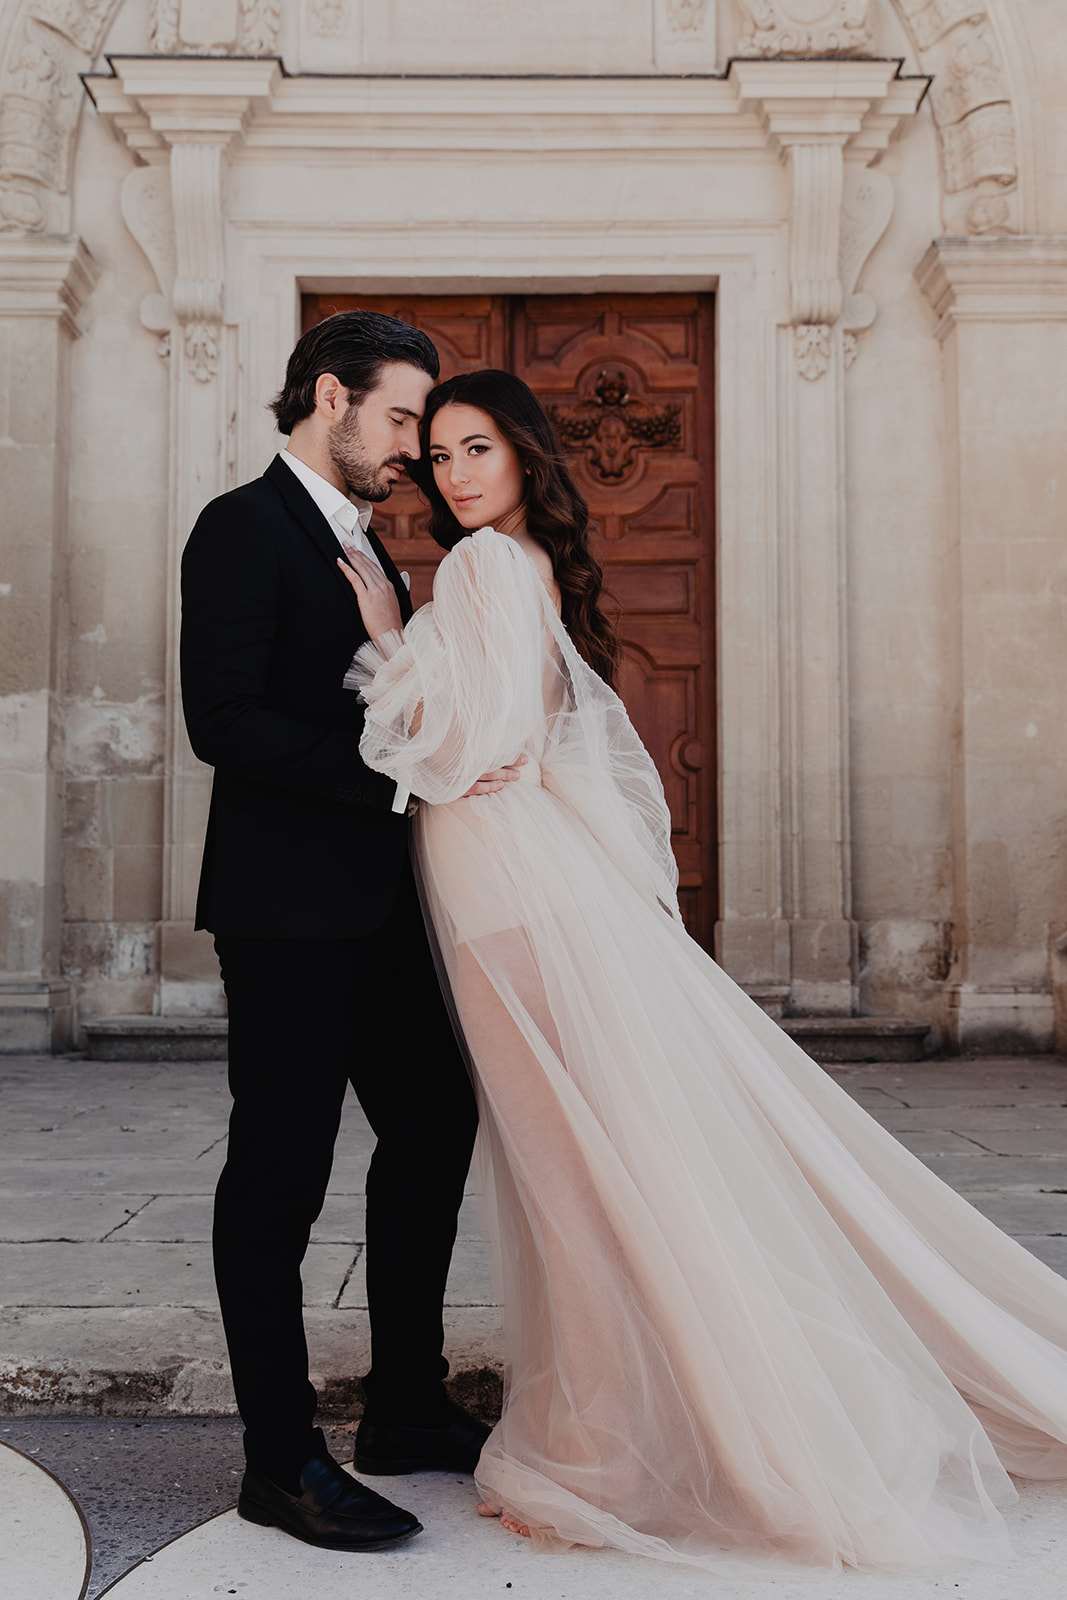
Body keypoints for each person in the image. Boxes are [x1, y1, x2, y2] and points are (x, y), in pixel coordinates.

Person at [335, 367, 1067, 1578]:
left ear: (522, 455)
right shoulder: (517, 569)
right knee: (602, 1165)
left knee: (573, 1175)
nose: (453, 474)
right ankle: (636, 1432)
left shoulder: (476, 569)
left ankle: (605, 1455)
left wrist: (381, 642)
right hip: (522, 879)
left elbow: (466, 745)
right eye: (439, 457)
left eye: (475, 449)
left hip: (503, 889)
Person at [179, 315, 522, 1553]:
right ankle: (279, 1461)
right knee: (278, 1172)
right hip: (282, 914)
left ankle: (407, 1409)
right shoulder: (238, 528)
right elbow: (222, 723)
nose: (414, 453)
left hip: (379, 909)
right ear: (329, 396)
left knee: (434, 1121)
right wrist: (403, 771)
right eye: (396, 420)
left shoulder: (376, 540)